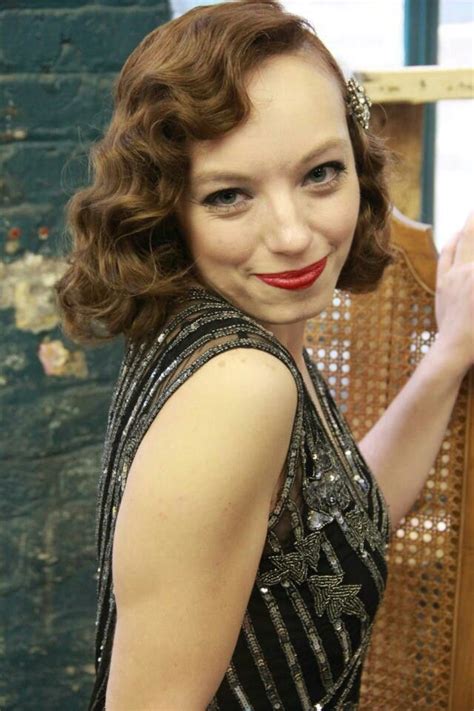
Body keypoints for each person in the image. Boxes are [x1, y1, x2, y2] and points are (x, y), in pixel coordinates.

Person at [54, 1, 474, 709]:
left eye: (319, 174)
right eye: (228, 195)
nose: (291, 234)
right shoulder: (242, 383)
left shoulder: (244, 331)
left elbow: (349, 515)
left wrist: (448, 352)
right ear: (169, 207)